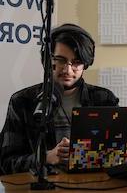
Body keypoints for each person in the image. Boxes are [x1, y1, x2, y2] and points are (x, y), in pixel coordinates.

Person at [0, 23, 119, 174]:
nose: (67, 70)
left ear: (86, 64)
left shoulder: (104, 100)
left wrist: (85, 156)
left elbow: (119, 157)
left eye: (76, 62)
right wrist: (45, 157)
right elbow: (6, 163)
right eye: (61, 60)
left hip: (92, 190)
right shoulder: (22, 101)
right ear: (48, 60)